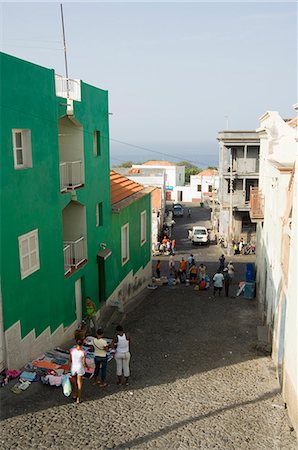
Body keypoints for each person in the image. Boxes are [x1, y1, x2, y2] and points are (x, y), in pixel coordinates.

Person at [67, 338, 89, 404]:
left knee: (73, 382)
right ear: (82, 344)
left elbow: (70, 360)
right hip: (79, 367)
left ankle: (74, 394)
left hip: (73, 367)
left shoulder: (72, 350)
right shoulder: (83, 352)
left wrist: (67, 368)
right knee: (79, 383)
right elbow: (84, 363)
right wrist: (87, 367)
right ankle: (78, 398)